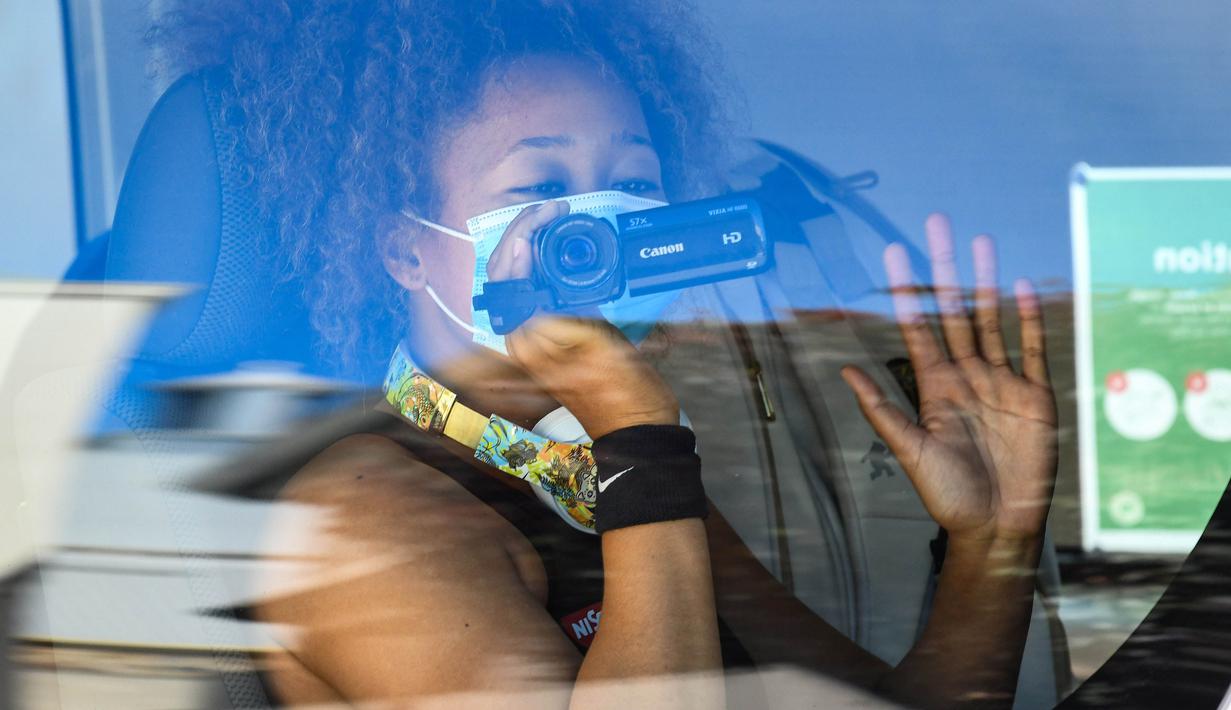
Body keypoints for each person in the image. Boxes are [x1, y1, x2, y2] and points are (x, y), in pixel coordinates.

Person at [149, 1, 1059, 707]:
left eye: (632, 183)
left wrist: (993, 538)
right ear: (402, 249)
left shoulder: (602, 470)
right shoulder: (361, 521)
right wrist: (638, 436)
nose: (596, 229)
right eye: (540, 186)